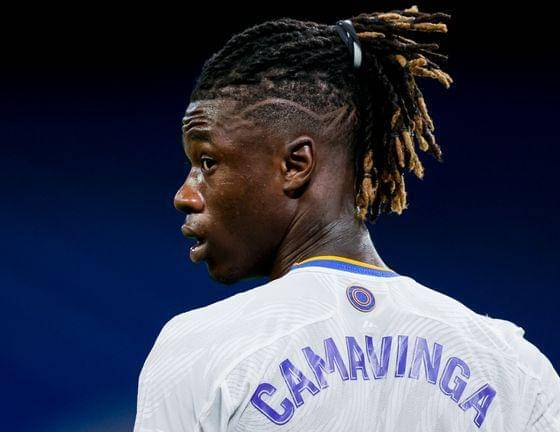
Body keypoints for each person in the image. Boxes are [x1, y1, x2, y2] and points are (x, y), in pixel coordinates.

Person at [133, 6, 559, 431]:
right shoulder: (516, 368)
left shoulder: (200, 348)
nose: (184, 195)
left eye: (207, 162)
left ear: (295, 165)